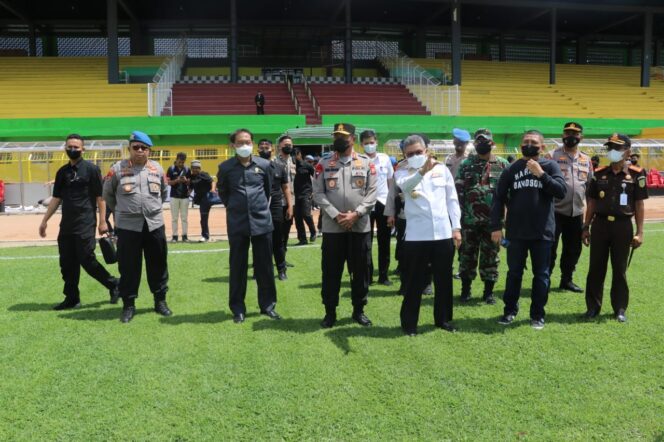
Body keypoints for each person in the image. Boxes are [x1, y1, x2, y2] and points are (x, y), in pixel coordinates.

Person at [490, 130, 566, 330]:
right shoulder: (512, 168)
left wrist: (541, 174)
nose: (528, 145)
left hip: (543, 231)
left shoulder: (551, 165)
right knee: (514, 273)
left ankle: (537, 315)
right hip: (516, 232)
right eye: (525, 142)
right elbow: (498, 197)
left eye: (533, 142)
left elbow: (561, 191)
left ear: (542, 147)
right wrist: (496, 226)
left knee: (541, 274)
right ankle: (509, 311)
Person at [39, 134, 120, 310]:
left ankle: (113, 283)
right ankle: (72, 298)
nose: (73, 150)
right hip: (66, 224)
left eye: (76, 147)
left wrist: (102, 222)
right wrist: (44, 220)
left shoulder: (92, 170)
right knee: (67, 263)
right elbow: (56, 199)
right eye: (70, 147)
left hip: (85, 222)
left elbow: (100, 198)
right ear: (65, 148)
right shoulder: (62, 172)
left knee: (87, 260)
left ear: (83, 149)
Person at [395, 135, 462, 336]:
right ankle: (409, 324)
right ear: (404, 156)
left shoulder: (442, 170)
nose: (415, 156)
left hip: (442, 233)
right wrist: (423, 171)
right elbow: (405, 187)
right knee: (414, 282)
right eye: (410, 154)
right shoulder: (401, 172)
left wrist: (456, 228)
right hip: (417, 236)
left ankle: (443, 319)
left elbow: (452, 199)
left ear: (427, 150)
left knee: (443, 281)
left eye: (418, 152)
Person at [103, 131, 172, 323]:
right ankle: (128, 305)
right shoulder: (117, 169)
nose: (140, 150)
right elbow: (108, 195)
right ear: (129, 148)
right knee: (128, 266)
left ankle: (160, 301)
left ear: (149, 150)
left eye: (144, 148)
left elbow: (163, 193)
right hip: (127, 226)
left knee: (158, 264)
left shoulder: (157, 168)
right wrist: (123, 212)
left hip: (154, 225)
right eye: (136, 147)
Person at [313, 123, 377, 328]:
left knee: (360, 271)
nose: (339, 140)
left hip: (360, 227)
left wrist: (355, 214)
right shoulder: (323, 163)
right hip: (333, 228)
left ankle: (359, 310)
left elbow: (372, 192)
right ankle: (330, 312)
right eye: (336, 136)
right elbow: (318, 193)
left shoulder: (366, 163)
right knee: (331, 271)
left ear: (353, 139)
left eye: (343, 136)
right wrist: (335, 215)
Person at [217, 129, 281, 323]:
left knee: (265, 267)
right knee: (237, 267)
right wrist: (236, 207)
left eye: (247, 142)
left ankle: (267, 306)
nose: (244, 145)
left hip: (262, 221)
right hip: (237, 223)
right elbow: (223, 193)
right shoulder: (225, 167)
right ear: (233, 145)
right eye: (240, 142)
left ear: (252, 143)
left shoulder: (264, 165)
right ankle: (238, 309)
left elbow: (268, 190)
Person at [582, 134, 647, 323]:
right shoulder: (599, 173)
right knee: (596, 268)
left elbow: (639, 205)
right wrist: (586, 226)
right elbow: (592, 202)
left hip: (623, 226)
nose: (612, 151)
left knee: (619, 269)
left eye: (617, 147)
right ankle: (593, 307)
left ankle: (619, 308)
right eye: (610, 147)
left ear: (627, 151)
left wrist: (640, 232)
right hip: (600, 225)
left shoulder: (636, 173)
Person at [456, 128, 509, 305]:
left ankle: (488, 293)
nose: (481, 144)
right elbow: (458, 193)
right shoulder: (466, 164)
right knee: (467, 256)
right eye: (478, 141)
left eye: (485, 141)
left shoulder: (500, 164)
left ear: (492, 143)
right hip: (469, 221)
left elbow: (507, 195)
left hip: (493, 223)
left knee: (491, 257)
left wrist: (504, 222)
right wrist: (458, 220)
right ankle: (465, 290)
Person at [546, 122, 593, 293]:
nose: (571, 136)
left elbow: (589, 189)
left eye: (575, 133)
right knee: (550, 248)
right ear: (562, 135)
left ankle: (567, 280)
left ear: (581, 137)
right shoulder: (551, 156)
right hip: (554, 212)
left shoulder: (586, 160)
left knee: (573, 249)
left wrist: (587, 219)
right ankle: (545, 279)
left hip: (576, 213)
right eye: (567, 133)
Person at [361, 130, 394, 286]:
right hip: (365, 205)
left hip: (383, 203)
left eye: (371, 142)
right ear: (361, 144)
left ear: (377, 142)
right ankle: (367, 275)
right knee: (366, 242)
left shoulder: (385, 158)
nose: (369, 145)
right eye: (366, 143)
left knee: (384, 241)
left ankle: (383, 275)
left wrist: (391, 206)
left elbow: (390, 183)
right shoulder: (358, 161)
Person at [257, 138, 292, 280]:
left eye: (267, 146)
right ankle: (259, 270)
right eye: (261, 146)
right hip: (258, 207)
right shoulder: (252, 167)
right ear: (257, 149)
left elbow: (285, 187)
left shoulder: (279, 167)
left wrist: (290, 206)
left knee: (278, 240)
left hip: (276, 207)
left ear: (272, 149)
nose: (264, 148)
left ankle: (281, 270)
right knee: (260, 240)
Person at [274, 135, 296, 264]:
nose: (288, 146)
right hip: (278, 203)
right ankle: (275, 258)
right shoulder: (274, 162)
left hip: (291, 203)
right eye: (286, 144)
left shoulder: (293, 161)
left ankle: (283, 257)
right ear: (279, 146)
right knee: (277, 233)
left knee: (286, 232)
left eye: (290, 145)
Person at [189, 160, 219, 242]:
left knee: (229, 207)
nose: (195, 170)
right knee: (203, 218)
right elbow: (191, 187)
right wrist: (188, 193)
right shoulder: (191, 177)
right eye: (193, 168)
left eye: (197, 168)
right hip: (202, 200)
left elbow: (212, 181)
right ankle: (205, 236)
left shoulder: (203, 174)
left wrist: (213, 189)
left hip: (209, 196)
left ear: (200, 168)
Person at [293, 148, 317, 245]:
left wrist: (314, 191)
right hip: (295, 194)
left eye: (295, 155)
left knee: (306, 214)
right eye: (292, 155)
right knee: (297, 217)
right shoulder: (291, 166)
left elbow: (316, 179)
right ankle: (302, 239)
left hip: (306, 193)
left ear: (299, 154)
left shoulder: (307, 166)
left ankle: (313, 232)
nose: (294, 157)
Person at [166, 152, 191, 243]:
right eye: (180, 161)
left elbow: (189, 183)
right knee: (174, 218)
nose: (181, 163)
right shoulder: (171, 169)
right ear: (176, 159)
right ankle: (174, 236)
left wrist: (186, 181)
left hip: (185, 197)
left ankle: (185, 236)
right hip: (174, 196)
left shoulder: (187, 169)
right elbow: (168, 182)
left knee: (184, 218)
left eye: (183, 162)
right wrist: (177, 180)